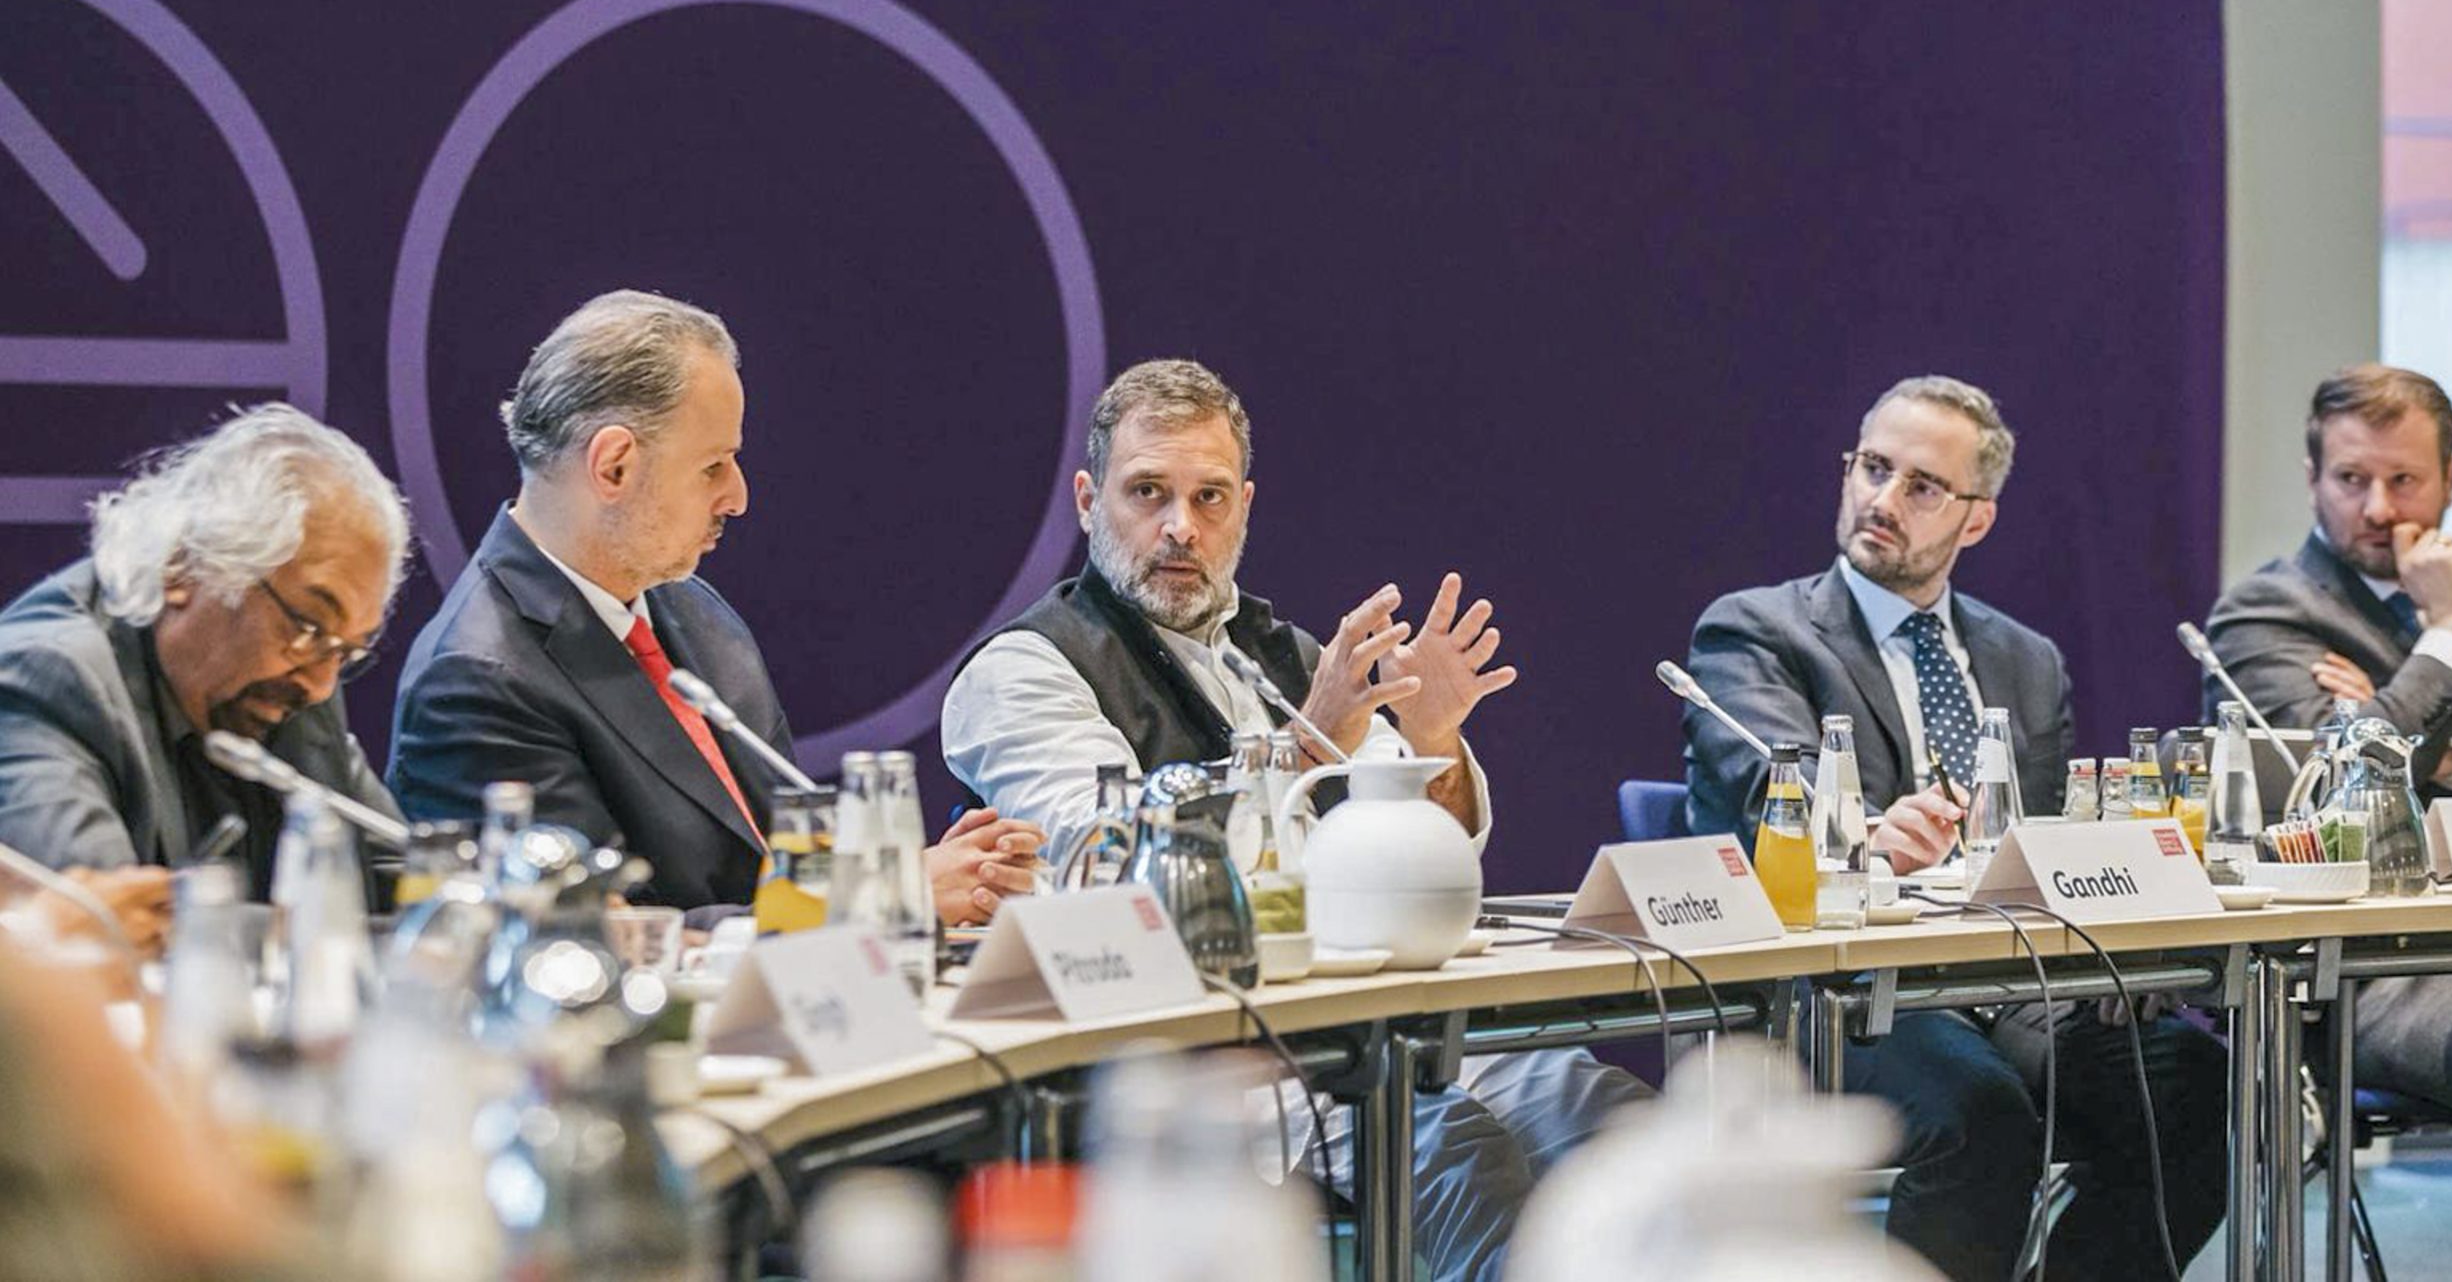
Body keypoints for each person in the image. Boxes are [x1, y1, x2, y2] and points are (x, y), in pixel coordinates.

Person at [945, 358, 1646, 1282]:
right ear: (1086, 501)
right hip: (1191, 1071)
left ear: (1244, 507)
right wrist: (1308, 746)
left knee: (1614, 1121)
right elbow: (1110, 856)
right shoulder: (1025, 670)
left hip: (1366, 1029)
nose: (1180, 527)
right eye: (1147, 492)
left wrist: (1431, 739)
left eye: (1209, 497)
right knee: (1456, 1152)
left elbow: (1422, 854)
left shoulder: (1289, 659)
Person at [1684, 375, 2228, 1282]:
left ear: (1976, 520)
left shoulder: (2027, 660)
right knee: (1979, 1113)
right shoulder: (1758, 632)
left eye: (1923, 486)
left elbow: (2037, 854)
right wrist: (1863, 836)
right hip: (1836, 994)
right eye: (1872, 467)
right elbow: (1767, 790)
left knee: (2194, 1084)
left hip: (2008, 987)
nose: (1883, 499)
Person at [390, 290, 1038, 920]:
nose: (738, 497)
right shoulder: (475, 681)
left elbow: (781, 863)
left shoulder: (695, 610)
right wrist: (881, 897)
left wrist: (908, 875)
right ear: (613, 467)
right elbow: (596, 937)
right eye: (713, 466)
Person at [2208, 362, 2452, 1272]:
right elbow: (2326, 790)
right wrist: (2449, 637)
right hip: (2380, 964)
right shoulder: (2265, 613)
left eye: (2404, 479)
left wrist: (2446, 755)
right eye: (2351, 478)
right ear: (2313, 478)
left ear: (2450, 479)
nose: (2377, 507)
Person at [0, 405, 408, 925]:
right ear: (183, 565)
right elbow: (106, 933)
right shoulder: (48, 680)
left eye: (347, 651)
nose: (322, 684)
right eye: (309, 626)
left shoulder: (293, 683)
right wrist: (317, 935)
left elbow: (419, 898)